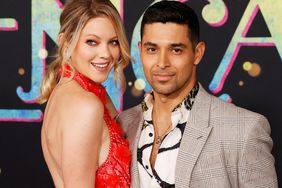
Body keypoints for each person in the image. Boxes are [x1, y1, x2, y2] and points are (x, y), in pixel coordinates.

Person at [118, 1, 278, 187]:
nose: (162, 62)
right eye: (152, 49)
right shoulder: (124, 124)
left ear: (197, 53)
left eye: (176, 50)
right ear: (140, 51)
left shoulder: (244, 130)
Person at [38, 0, 131, 187]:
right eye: (92, 42)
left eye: (113, 42)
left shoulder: (75, 92)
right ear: (66, 42)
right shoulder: (86, 105)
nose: (105, 53)